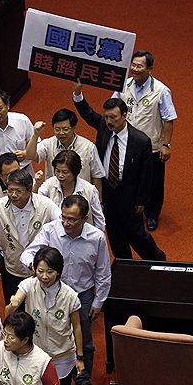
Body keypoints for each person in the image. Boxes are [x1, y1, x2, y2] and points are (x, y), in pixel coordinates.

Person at [20, 195, 111, 385]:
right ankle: (48, 376)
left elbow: (103, 273)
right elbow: (27, 254)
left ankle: (82, 377)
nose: (66, 223)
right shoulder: (50, 230)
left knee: (84, 338)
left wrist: (98, 303)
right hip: (52, 293)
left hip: (82, 295)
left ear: (84, 219)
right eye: (63, 217)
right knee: (50, 334)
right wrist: (37, 270)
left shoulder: (96, 238)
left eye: (72, 219)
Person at [73, 80, 167, 261]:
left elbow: (146, 175)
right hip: (107, 189)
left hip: (129, 193)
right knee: (114, 231)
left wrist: (142, 200)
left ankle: (157, 259)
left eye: (113, 117)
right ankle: (124, 264)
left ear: (125, 115)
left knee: (136, 233)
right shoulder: (103, 125)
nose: (108, 121)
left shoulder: (141, 141)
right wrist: (78, 94)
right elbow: (87, 113)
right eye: (107, 117)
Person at [5, 247, 84, 385]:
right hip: (37, 354)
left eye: (49, 271)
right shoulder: (29, 285)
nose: (44, 276)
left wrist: (80, 356)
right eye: (40, 271)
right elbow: (15, 301)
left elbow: (76, 326)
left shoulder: (70, 295)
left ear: (58, 271)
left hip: (62, 354)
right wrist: (14, 303)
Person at [112, 50, 177, 231]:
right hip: (126, 143)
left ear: (150, 69)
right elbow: (112, 107)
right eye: (133, 65)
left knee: (154, 181)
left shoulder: (161, 91)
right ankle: (131, 210)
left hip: (152, 146)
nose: (135, 69)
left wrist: (166, 144)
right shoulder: (123, 85)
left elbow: (168, 119)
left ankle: (152, 213)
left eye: (140, 66)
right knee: (129, 177)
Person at [0, 169, 61, 304]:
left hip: (41, 272)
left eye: (18, 191)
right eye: (10, 190)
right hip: (13, 268)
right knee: (15, 306)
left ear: (29, 189)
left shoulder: (46, 205)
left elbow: (61, 229)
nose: (13, 195)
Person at [25, 108, 105, 199]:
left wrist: (99, 201)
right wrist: (35, 135)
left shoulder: (88, 147)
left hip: (81, 198)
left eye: (65, 129)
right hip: (55, 198)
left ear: (74, 128)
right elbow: (30, 156)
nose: (61, 133)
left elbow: (96, 176)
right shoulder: (48, 144)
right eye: (57, 129)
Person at [37, 149, 105, 231]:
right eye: (57, 171)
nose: (60, 175)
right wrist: (36, 185)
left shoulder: (89, 190)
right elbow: (37, 203)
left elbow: (99, 222)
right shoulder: (49, 184)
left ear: (75, 172)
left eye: (65, 172)